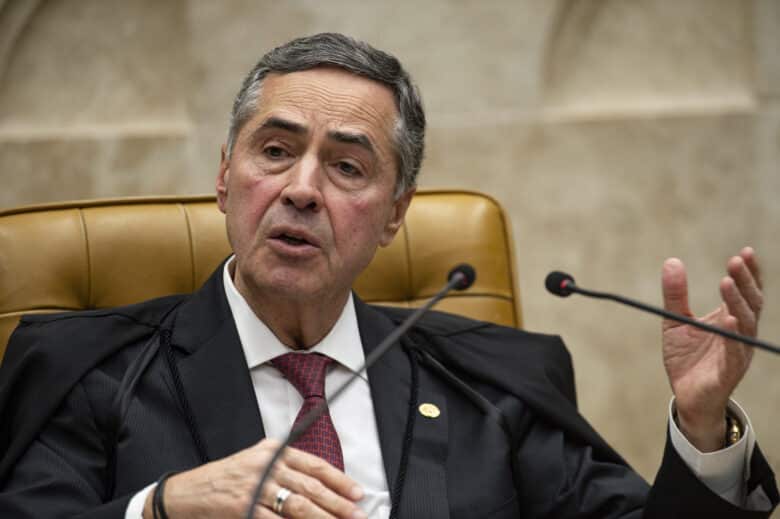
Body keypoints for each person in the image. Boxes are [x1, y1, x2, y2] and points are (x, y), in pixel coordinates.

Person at [0, 32, 776, 519]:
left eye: (345, 166)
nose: (302, 188)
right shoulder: (89, 371)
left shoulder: (494, 381)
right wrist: (160, 507)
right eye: (274, 151)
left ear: (396, 213)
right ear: (224, 178)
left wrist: (702, 424)